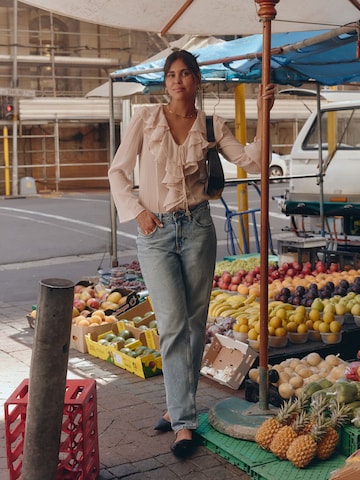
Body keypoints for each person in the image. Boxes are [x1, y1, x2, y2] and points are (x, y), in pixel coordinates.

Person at [108, 49, 275, 457]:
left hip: (198, 228)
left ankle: (176, 407)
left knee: (196, 325)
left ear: (197, 80)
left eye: (185, 73)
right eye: (171, 75)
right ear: (165, 82)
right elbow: (118, 171)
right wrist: (137, 212)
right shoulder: (145, 119)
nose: (177, 80)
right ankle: (184, 422)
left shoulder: (212, 124)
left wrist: (262, 113)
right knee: (171, 325)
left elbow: (253, 161)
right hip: (156, 230)